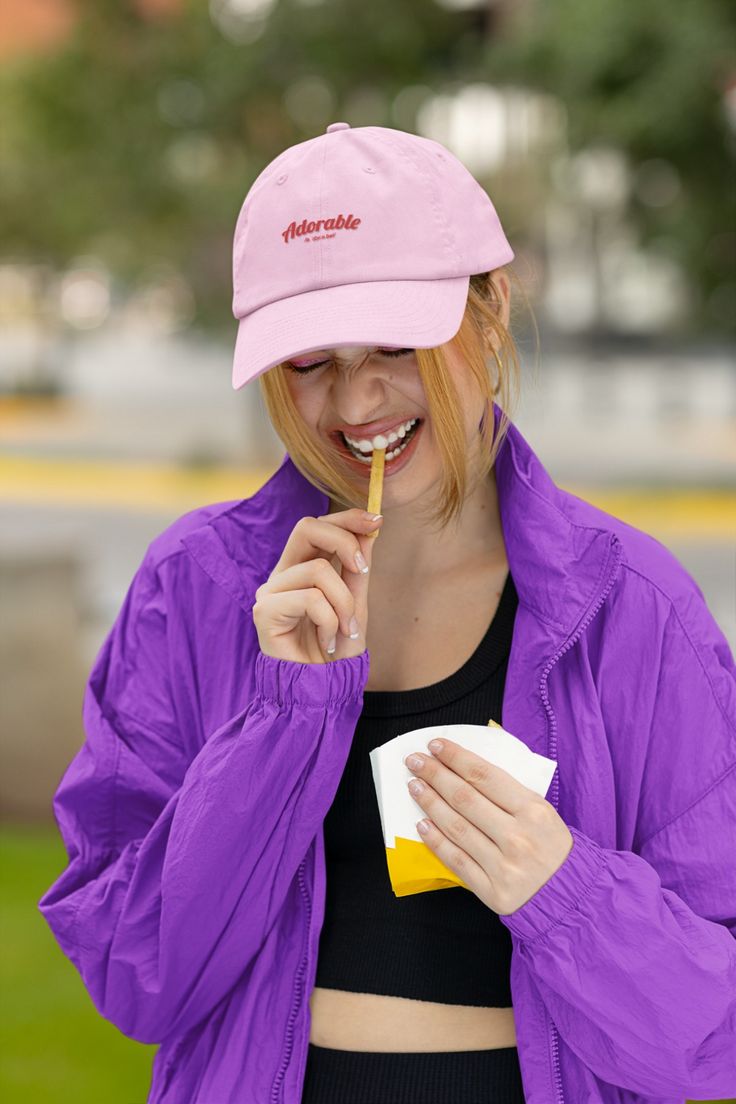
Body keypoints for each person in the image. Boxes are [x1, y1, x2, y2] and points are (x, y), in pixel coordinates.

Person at [38, 124, 735, 1104]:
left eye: (398, 346)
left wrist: (562, 890)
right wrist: (286, 717)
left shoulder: (634, 606)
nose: (356, 399)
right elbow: (133, 973)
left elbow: (714, 1040)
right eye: (308, 363)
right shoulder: (190, 587)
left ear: (488, 312)